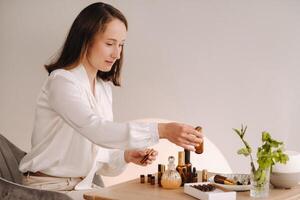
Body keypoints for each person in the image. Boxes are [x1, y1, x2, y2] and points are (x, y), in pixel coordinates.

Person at [19, 2, 203, 191]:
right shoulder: (61, 82)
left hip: (82, 187)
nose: (116, 54)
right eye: (109, 44)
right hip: (48, 188)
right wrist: (162, 130)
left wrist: (125, 156)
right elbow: (96, 129)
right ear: (85, 40)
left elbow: (96, 152)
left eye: (121, 45)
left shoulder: (102, 87)